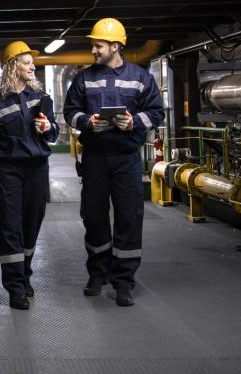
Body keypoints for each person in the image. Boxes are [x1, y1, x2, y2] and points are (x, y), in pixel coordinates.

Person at [63, 18, 164, 307]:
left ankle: (124, 281)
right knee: (93, 216)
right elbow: (70, 111)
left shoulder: (141, 77)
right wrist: (87, 122)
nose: (93, 50)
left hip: (126, 158)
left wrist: (133, 122)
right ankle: (98, 273)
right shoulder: (84, 78)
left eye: (98, 45)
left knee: (129, 217)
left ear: (115, 46)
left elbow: (156, 113)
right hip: (95, 157)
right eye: (93, 45)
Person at [0, 41, 59, 310]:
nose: (32, 65)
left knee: (31, 225)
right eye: (25, 61)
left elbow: (53, 133)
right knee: (10, 227)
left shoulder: (41, 98)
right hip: (7, 171)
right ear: (12, 67)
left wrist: (48, 127)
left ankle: (25, 274)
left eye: (31, 62)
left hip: (37, 169)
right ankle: (15, 288)